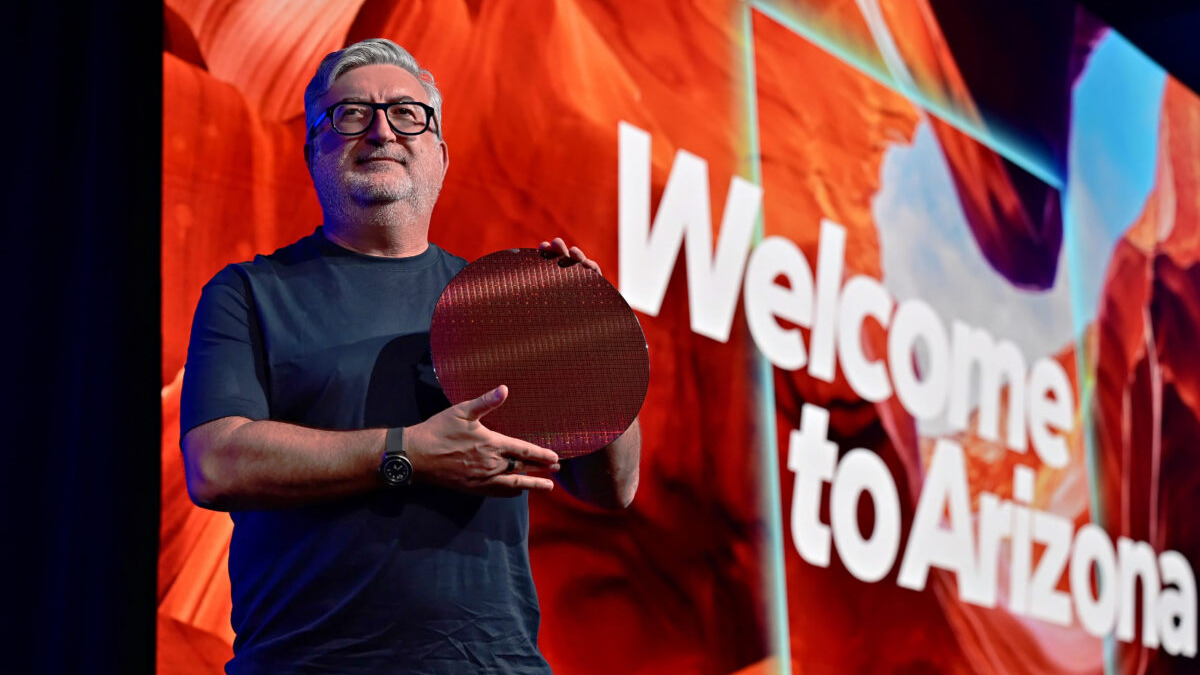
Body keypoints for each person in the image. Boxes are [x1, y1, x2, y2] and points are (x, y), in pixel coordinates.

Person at [180, 38, 641, 674]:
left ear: (440, 156)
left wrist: (598, 347)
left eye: (406, 113)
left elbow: (613, 487)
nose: (381, 131)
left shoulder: (504, 305)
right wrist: (409, 454)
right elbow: (216, 464)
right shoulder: (249, 292)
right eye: (351, 115)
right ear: (313, 150)